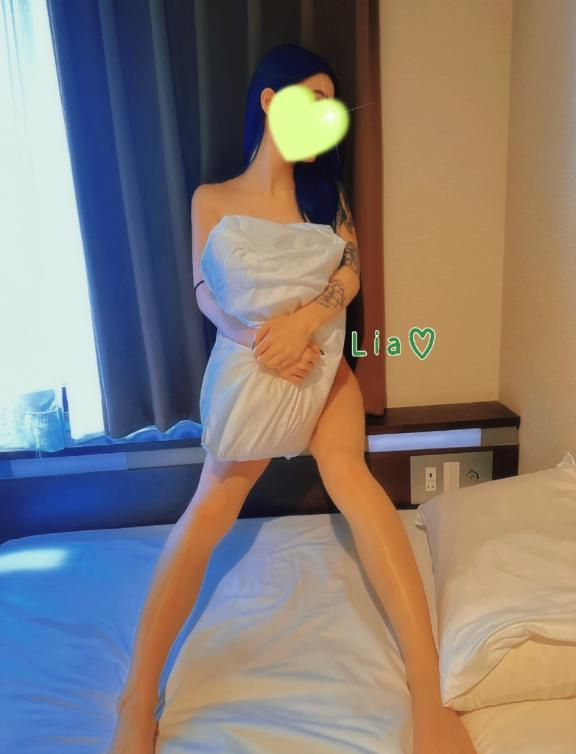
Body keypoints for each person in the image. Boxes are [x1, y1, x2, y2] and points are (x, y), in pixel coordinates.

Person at [107, 43, 478, 754]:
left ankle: (428, 692)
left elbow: (350, 274)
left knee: (352, 479)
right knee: (212, 504)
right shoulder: (212, 198)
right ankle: (136, 698)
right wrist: (261, 339)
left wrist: (305, 325)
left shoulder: (323, 198)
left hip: (325, 363)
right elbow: (204, 292)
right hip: (251, 367)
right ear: (271, 101)